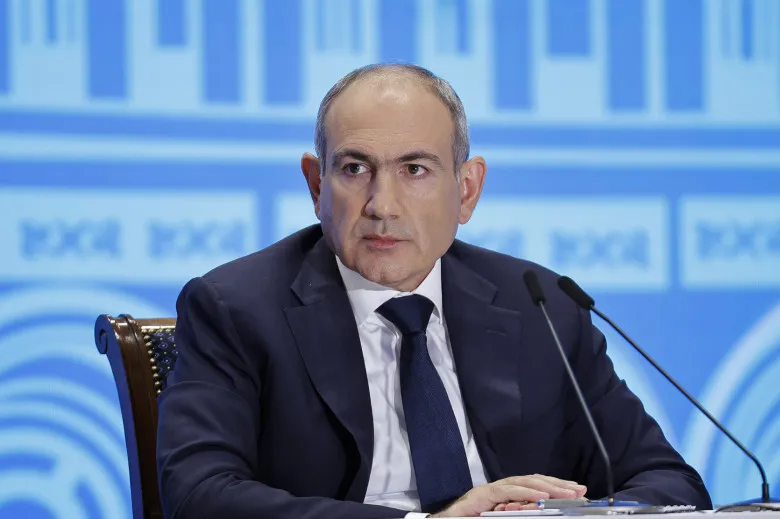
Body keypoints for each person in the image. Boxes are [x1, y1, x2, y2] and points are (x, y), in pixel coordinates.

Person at [156, 64, 711, 519]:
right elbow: (199, 495)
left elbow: (669, 483)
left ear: (467, 190)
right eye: (355, 168)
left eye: (415, 169)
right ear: (316, 183)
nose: (382, 205)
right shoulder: (236, 308)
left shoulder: (541, 305)